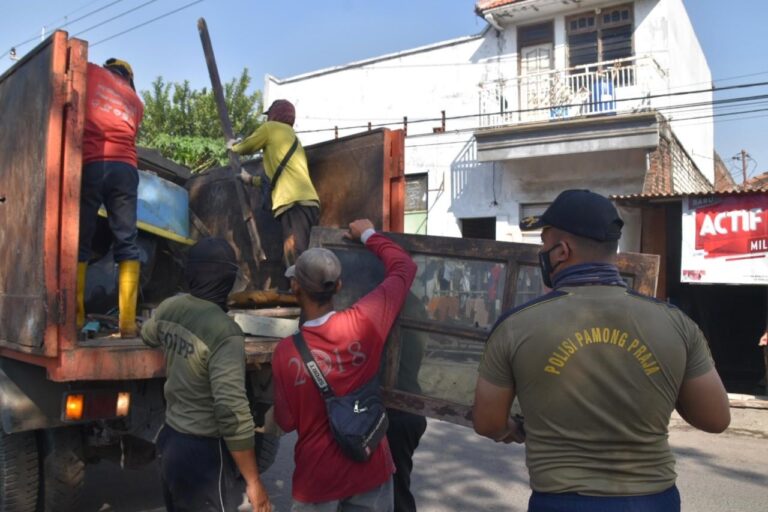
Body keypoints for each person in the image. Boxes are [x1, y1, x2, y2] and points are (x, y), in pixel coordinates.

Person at [472, 189, 730, 512]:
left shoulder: (514, 326)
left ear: (561, 251)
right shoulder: (677, 324)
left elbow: (487, 422)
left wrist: (515, 429)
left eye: (544, 245)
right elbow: (716, 418)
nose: (543, 252)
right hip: (654, 500)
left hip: (560, 501)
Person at [273, 219, 417, 511]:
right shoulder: (365, 322)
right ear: (338, 286)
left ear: (295, 287)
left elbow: (286, 422)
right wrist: (367, 234)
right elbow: (405, 267)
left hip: (317, 478)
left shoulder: (285, 353)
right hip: (369, 464)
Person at [141, 238, 271, 512]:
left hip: (170, 443)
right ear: (228, 280)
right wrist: (254, 481)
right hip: (204, 455)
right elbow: (231, 412)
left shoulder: (170, 309)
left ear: (189, 274)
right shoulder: (225, 332)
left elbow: (148, 334)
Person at [77, 58, 144, 337]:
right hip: (126, 169)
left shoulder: (92, 73)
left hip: (93, 164)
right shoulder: (136, 102)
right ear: (129, 77)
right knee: (126, 242)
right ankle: (127, 325)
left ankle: (76, 319)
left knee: (80, 240)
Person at [230, 99, 320, 266]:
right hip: (307, 203)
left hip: (294, 203)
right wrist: (250, 180)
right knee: (299, 253)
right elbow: (274, 179)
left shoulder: (271, 129)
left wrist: (233, 146)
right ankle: (297, 287)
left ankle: (298, 290)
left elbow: (246, 147)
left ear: (274, 115)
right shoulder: (293, 138)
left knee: (295, 254)